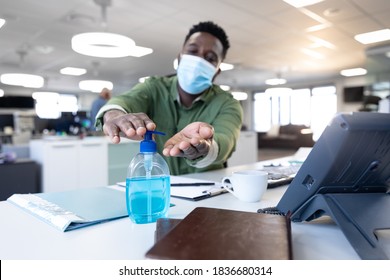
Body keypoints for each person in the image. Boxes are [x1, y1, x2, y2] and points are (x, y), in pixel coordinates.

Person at [95, 21, 243, 175]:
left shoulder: (228, 103)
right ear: (179, 58)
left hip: (208, 187)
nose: (199, 60)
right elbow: (126, 100)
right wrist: (114, 115)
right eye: (193, 51)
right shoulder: (154, 87)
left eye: (210, 58)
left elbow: (226, 140)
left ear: (217, 71)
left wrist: (207, 147)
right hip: (162, 183)